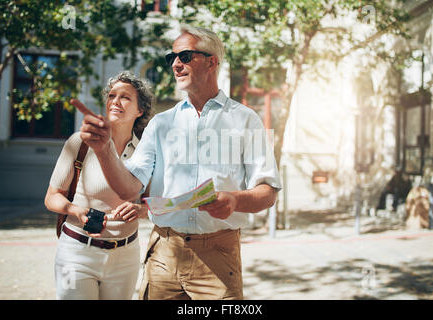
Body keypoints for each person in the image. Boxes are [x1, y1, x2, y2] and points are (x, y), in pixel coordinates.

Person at [75, 25, 282, 300]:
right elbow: (128, 189)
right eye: (171, 58)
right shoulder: (161, 123)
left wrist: (234, 200)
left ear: (212, 62)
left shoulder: (245, 120)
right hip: (163, 253)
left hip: (218, 259)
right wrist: (103, 150)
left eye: (185, 56)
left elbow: (268, 192)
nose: (175, 64)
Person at [44, 71, 153, 300]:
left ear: (140, 110)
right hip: (76, 252)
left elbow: (153, 202)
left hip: (125, 256)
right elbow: (52, 196)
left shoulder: (147, 151)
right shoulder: (80, 142)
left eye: (125, 97)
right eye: (112, 95)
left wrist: (142, 210)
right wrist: (74, 210)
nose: (115, 101)